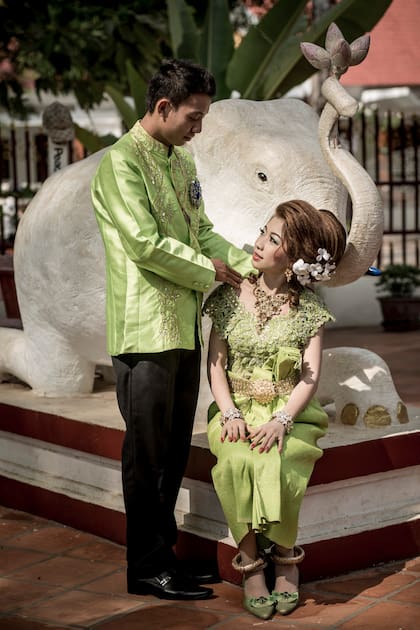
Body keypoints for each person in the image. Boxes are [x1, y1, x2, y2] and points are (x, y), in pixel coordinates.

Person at [91, 59, 253, 601]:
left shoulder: (180, 162)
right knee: (147, 456)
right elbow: (143, 243)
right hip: (143, 334)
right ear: (163, 107)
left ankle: (168, 559)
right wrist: (213, 271)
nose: (198, 127)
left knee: (175, 451)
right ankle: (146, 567)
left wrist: (250, 262)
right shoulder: (120, 165)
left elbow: (203, 231)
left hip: (183, 329)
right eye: (194, 115)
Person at [204, 199, 347, 618]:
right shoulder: (229, 294)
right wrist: (229, 412)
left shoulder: (309, 310)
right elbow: (215, 364)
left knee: (279, 463)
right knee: (234, 461)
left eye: (273, 239)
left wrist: (284, 419)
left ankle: (286, 559)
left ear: (295, 257)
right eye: (263, 232)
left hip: (292, 412)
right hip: (236, 409)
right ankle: (250, 566)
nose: (258, 243)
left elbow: (310, 376)